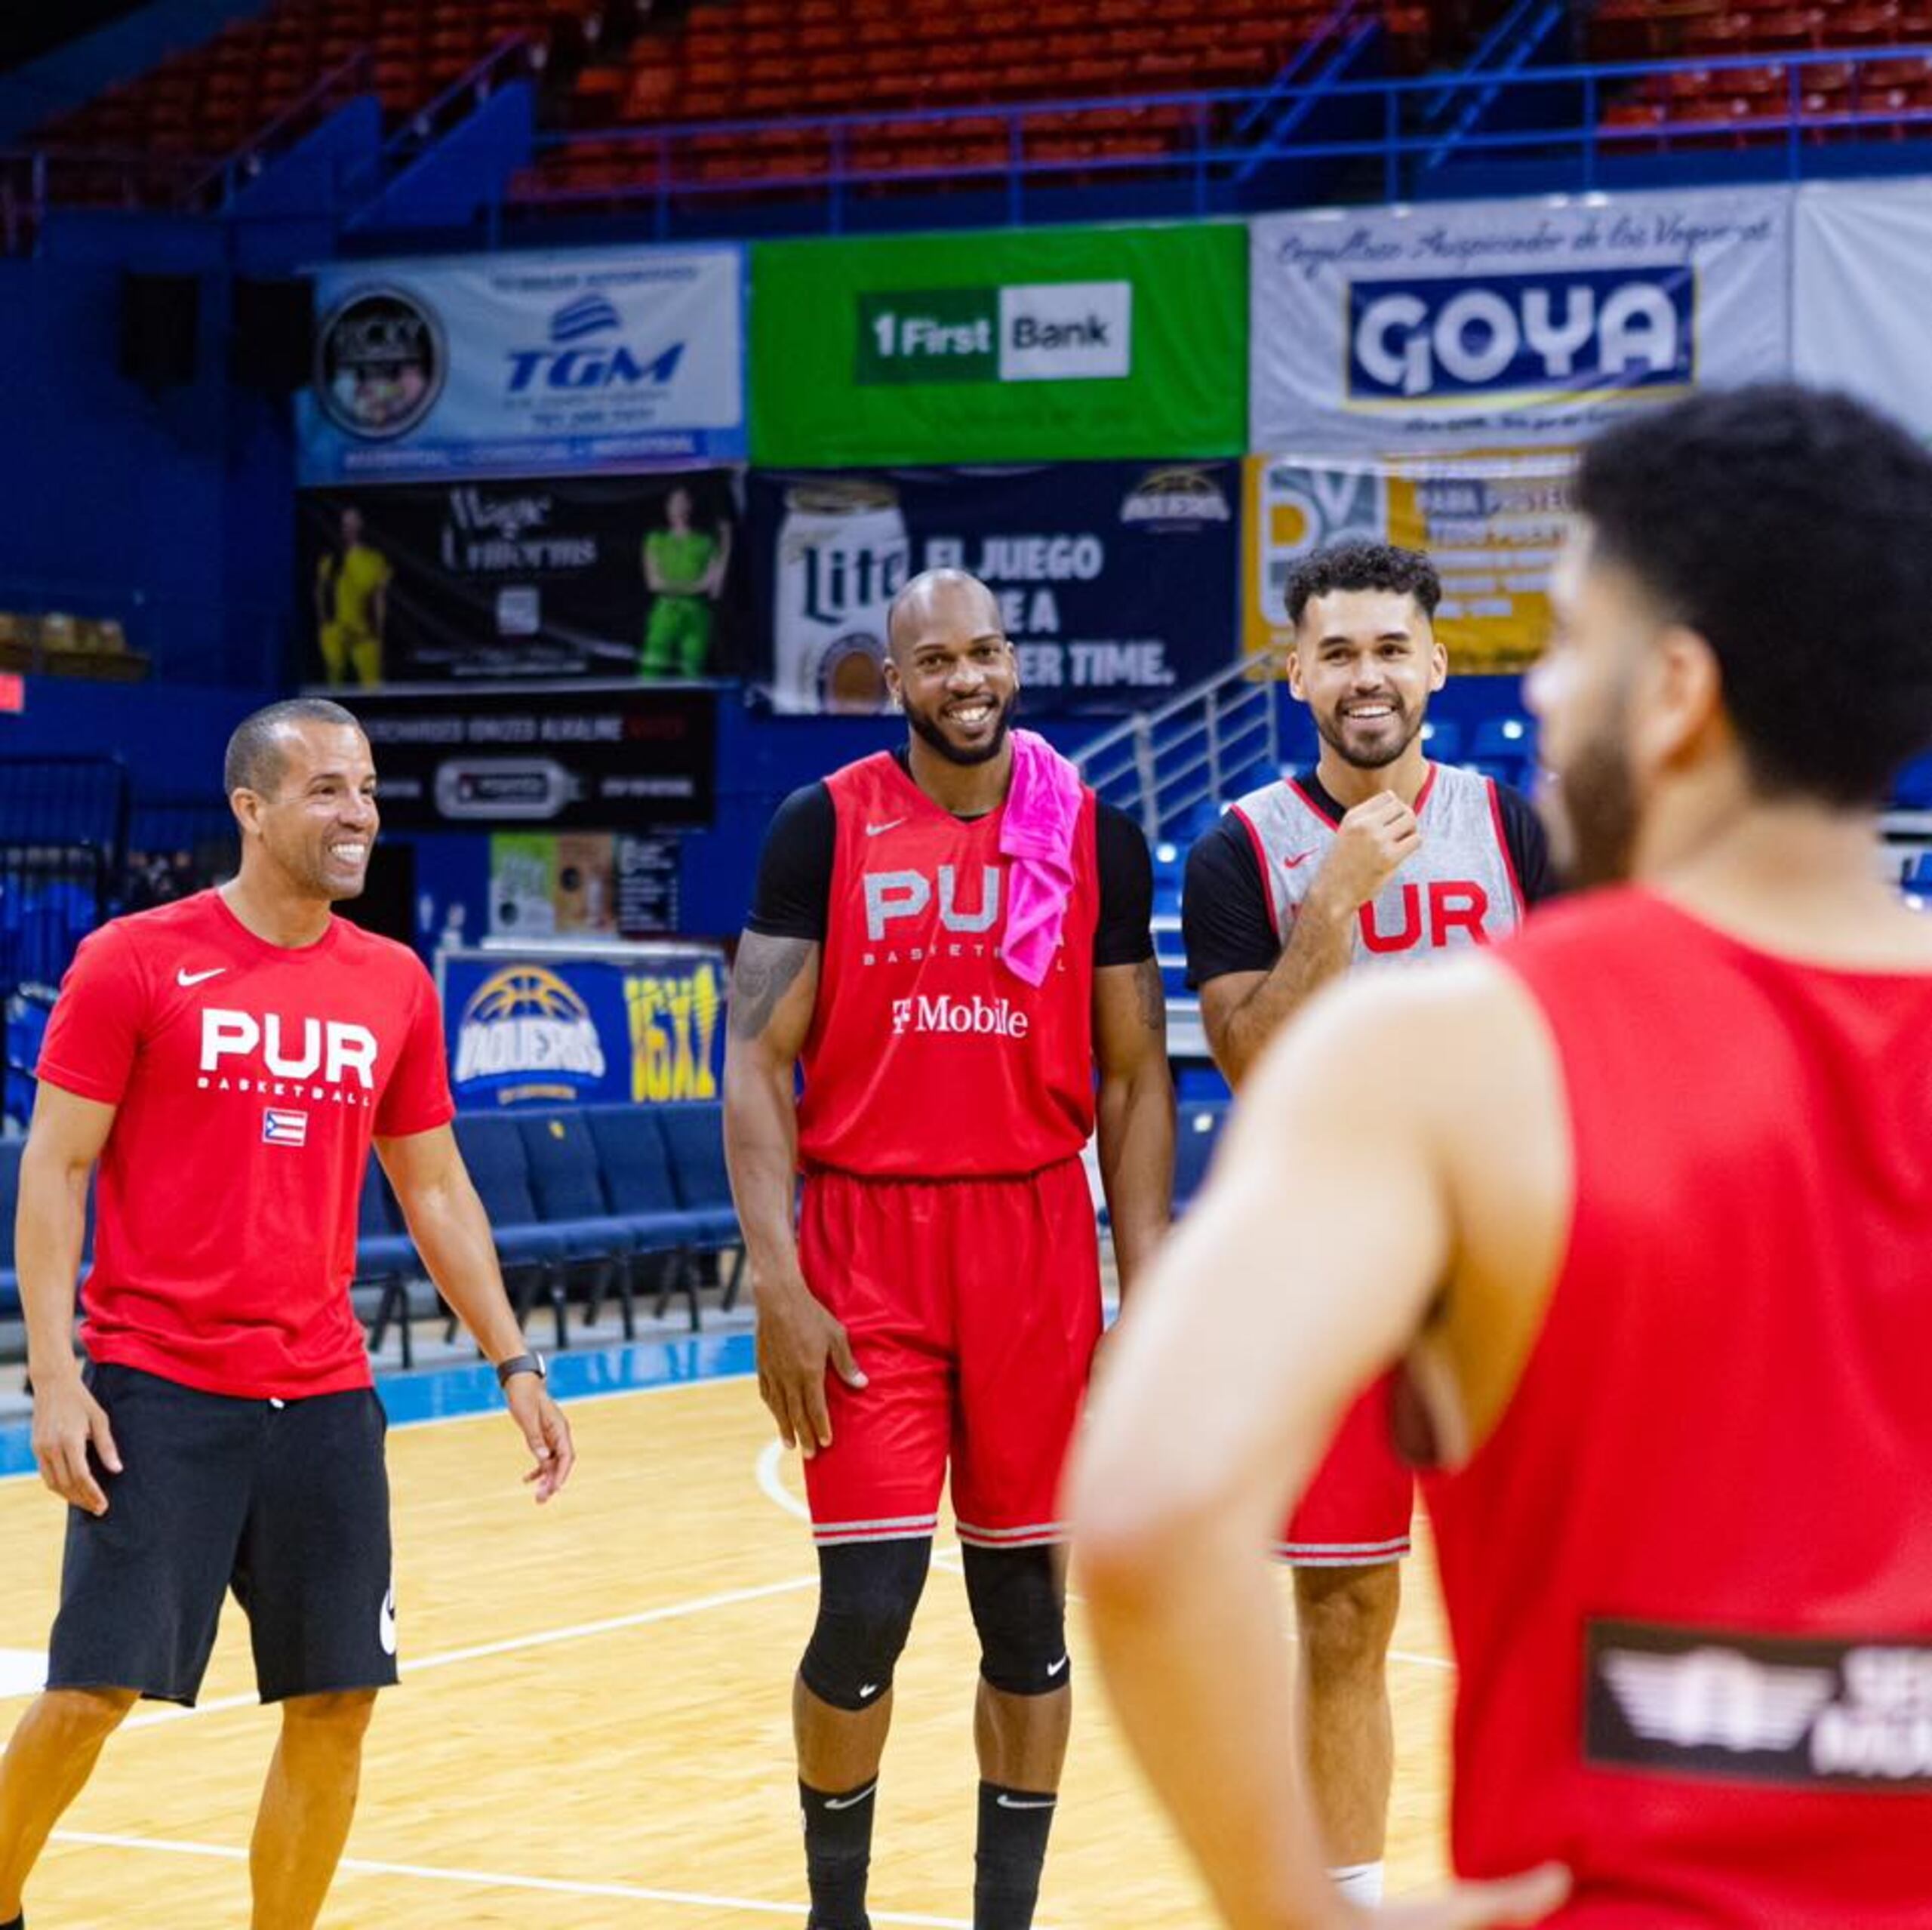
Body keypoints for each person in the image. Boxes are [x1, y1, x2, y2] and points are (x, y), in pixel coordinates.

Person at [1069, 383, 1932, 1925]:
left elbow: (1140, 1521)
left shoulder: (1445, 1059)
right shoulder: (1268, 871)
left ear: (1667, 693)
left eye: (1563, 643)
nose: (1533, 698)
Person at [0, 697, 575, 1930]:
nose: (357, 812)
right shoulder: (136, 961)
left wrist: (515, 1358)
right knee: (93, 1686)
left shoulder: (393, 983)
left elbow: (433, 1185)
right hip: (156, 1383)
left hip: (320, 1389)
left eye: (365, 789)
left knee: (336, 1697)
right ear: (251, 809)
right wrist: (56, 1374)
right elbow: (53, 1168)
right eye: (326, 790)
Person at [724, 568, 1174, 1930]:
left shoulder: (1094, 831)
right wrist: (778, 1278)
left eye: (984, 652)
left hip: (1034, 1238)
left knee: (1026, 1617)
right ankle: (836, 1914)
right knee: (864, 1614)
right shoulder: (825, 824)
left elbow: (1137, 1074)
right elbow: (753, 1054)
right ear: (894, 678)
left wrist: (1145, 1289)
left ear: (1011, 660)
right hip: (866, 1245)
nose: (965, 679)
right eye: (936, 661)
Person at [1180, 537, 1557, 1907]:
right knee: (1344, 1613)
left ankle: (1556, 1881)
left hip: (1499, 1274)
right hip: (1331, 1285)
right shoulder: (1244, 849)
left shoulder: (1517, 832)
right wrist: (1332, 903)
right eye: (1336, 651)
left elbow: (1588, 1040)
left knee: (1539, 1612)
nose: (1366, 676)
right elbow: (1252, 1063)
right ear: (1295, 673)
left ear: (1436, 665)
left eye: (1391, 648)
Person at [641, 483, 731, 679]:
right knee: (652, 666)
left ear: (690, 506)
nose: (679, 508)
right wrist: (694, 586)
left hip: (696, 613)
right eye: (674, 503)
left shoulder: (705, 541)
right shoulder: (656, 539)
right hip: (665, 611)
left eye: (683, 503)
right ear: (667, 507)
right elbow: (654, 583)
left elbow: (712, 585)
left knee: (693, 669)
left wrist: (726, 541)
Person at [315, 506, 391, 688]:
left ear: (362, 525)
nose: (350, 528)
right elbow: (320, 592)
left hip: (365, 632)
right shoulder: (330, 560)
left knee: (371, 685)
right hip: (336, 630)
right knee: (334, 680)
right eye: (346, 523)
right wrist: (325, 624)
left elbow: (379, 598)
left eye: (354, 522)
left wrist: (378, 631)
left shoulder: (374, 560)